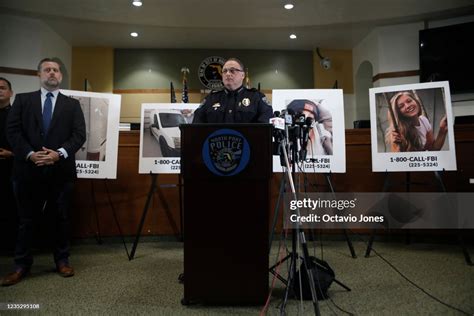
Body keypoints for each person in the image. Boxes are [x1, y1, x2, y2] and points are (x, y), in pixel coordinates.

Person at [2, 58, 86, 286]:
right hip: (27, 170)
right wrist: (30, 154)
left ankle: (62, 260)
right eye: (47, 69)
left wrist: (58, 153)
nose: (52, 73)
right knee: (26, 220)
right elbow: (13, 131)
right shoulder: (22, 100)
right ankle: (21, 265)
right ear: (39, 75)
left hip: (60, 171)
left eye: (56, 70)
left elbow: (79, 135)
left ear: (61, 76)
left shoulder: (72, 105)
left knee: (60, 218)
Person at [193, 57, 273, 123]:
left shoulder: (256, 97)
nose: (227, 74)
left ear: (243, 75)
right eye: (224, 71)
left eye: (232, 70)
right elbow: (196, 124)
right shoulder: (210, 99)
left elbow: (265, 124)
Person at [0, 77, 16, 251]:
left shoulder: (18, 115)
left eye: (3, 88)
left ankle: (10, 246)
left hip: (13, 168)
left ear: (10, 93)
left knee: (11, 208)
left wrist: (12, 153)